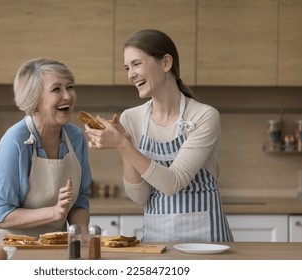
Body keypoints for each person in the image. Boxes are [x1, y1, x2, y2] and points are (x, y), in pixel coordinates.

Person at [85, 29, 233, 242]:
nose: (130, 74)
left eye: (137, 64)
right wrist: (124, 144)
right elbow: (139, 197)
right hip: (157, 242)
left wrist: (123, 145)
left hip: (207, 242)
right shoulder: (131, 118)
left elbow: (172, 183)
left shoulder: (204, 116)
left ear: (165, 63)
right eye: (127, 68)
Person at [0, 58, 92, 243]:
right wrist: (55, 212)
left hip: (50, 246)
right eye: (56, 89)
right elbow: (3, 215)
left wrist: (82, 237)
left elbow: (79, 202)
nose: (67, 96)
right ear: (34, 100)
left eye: (70, 87)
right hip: (1, 247)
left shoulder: (75, 138)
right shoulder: (15, 141)